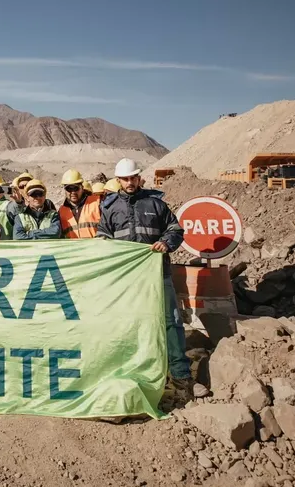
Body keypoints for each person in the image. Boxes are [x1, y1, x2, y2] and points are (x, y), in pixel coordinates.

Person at [98, 158, 193, 405]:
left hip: (158, 276)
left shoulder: (156, 204)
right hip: (127, 282)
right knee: (130, 327)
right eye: (125, 179)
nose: (130, 183)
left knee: (171, 324)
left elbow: (176, 230)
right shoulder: (110, 208)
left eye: (134, 178)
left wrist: (166, 243)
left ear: (139, 178)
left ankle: (181, 380)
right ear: (118, 180)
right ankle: (137, 379)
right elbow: (103, 238)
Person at [58, 169, 101, 239]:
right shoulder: (61, 211)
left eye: (76, 188)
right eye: (69, 189)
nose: (73, 192)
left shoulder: (96, 203)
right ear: (65, 191)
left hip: (95, 248)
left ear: (82, 188)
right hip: (74, 249)